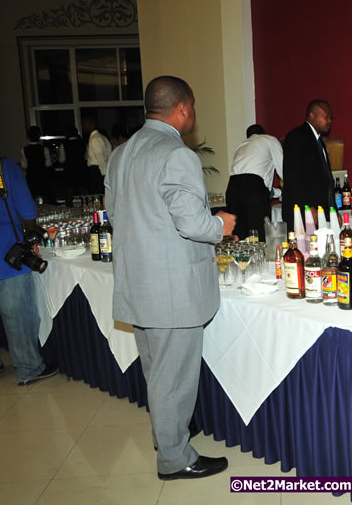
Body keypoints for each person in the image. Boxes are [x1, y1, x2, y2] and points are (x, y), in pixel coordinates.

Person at [105, 75, 236, 480]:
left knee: (158, 372)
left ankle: (168, 437)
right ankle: (175, 459)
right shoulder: (176, 154)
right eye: (193, 107)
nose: (194, 116)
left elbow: (113, 212)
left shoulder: (121, 154)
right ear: (181, 108)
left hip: (138, 283)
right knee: (173, 380)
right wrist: (221, 224)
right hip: (173, 291)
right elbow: (193, 224)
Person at [0, 150, 59, 385]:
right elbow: (27, 209)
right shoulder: (4, 168)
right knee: (18, 316)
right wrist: (29, 236)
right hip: (6, 252)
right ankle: (29, 368)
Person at [282, 100, 337, 232]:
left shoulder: (319, 141)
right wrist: (306, 207)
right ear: (312, 116)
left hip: (319, 212)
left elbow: (326, 180)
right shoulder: (297, 136)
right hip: (303, 212)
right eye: (326, 117)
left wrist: (333, 211)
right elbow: (292, 177)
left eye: (331, 118)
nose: (329, 121)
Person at [225, 123, 283, 241]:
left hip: (232, 188)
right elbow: (283, 170)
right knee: (259, 235)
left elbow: (249, 178)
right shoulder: (269, 140)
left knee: (240, 236)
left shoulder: (240, 146)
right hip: (253, 188)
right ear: (263, 133)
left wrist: (277, 192)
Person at [20, 125, 50, 201]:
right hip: (42, 176)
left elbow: (24, 166)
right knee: (45, 197)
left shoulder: (24, 149)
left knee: (31, 198)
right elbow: (48, 164)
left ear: (28, 136)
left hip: (31, 176)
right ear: (39, 136)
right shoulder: (44, 149)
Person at [83, 117, 112, 194]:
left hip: (97, 171)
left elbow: (100, 157)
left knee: (97, 194)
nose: (83, 127)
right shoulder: (103, 137)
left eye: (84, 124)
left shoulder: (95, 139)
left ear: (91, 124)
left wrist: (104, 174)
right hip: (103, 169)